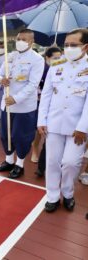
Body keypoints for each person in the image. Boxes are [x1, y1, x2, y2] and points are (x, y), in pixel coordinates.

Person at [38, 28, 88, 213]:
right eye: (66, 45)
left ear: (85, 47)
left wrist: (83, 127)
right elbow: (46, 95)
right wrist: (41, 120)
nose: (68, 48)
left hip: (77, 127)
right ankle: (52, 196)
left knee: (70, 163)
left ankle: (67, 193)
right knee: (52, 161)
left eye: (73, 45)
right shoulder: (57, 64)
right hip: (54, 123)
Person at [0, 29, 45, 179]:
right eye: (18, 38)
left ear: (31, 42)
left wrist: (16, 98)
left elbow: (33, 84)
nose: (20, 41)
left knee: (20, 136)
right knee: (5, 135)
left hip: (24, 106)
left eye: (24, 39)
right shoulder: (10, 56)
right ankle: (9, 161)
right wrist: (0, 80)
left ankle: (19, 165)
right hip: (7, 104)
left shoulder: (37, 59)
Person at [34, 46, 62, 176]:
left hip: (58, 109)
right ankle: (40, 166)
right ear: (47, 58)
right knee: (43, 137)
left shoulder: (63, 70)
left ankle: (53, 167)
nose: (58, 60)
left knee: (52, 142)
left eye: (59, 57)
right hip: (43, 106)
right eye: (55, 58)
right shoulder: (43, 70)